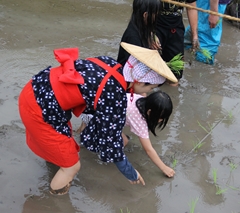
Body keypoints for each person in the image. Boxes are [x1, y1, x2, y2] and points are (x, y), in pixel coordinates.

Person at [18, 42, 177, 195]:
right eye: (149, 88)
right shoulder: (115, 96)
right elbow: (112, 139)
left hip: (35, 89)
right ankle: (50, 203)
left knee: (64, 151)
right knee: (72, 167)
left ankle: (56, 166)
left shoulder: (110, 63)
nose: (146, 94)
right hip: (40, 109)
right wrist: (129, 171)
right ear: (139, 81)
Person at [80, 91, 175, 177]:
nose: (161, 120)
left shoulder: (139, 98)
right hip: (97, 117)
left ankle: (83, 130)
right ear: (149, 112)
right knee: (123, 141)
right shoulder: (139, 121)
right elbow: (149, 150)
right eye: (160, 117)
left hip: (92, 108)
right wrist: (164, 168)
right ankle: (103, 154)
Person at [156, 0, 199, 85]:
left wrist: (194, 35)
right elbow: (142, 7)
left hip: (175, 27)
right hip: (154, 25)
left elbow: (191, 7)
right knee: (149, 68)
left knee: (175, 74)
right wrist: (149, 32)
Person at [184, 0, 231, 64]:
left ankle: (187, 53)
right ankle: (201, 69)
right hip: (211, 4)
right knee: (207, 44)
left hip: (210, 4)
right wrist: (214, 12)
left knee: (196, 29)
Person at [117, 0, 161, 66]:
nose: (156, 17)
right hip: (128, 73)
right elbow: (137, 67)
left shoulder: (140, 27)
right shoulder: (133, 37)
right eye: (155, 14)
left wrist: (151, 36)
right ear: (145, 15)